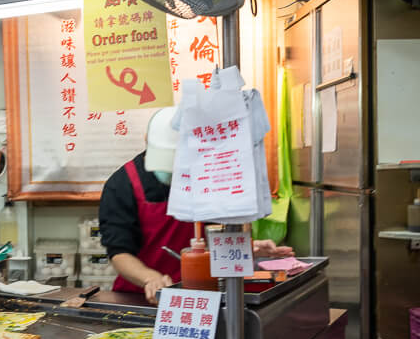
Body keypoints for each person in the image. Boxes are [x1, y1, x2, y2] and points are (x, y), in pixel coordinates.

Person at [99, 107, 293, 304]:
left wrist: (246, 248)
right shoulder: (122, 184)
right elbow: (119, 252)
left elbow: (211, 234)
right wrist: (150, 278)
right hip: (140, 297)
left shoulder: (204, 173)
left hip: (200, 296)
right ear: (146, 139)